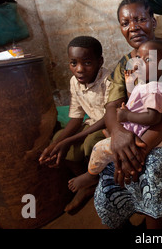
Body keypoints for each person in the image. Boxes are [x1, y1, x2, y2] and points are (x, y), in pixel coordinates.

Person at [94, 0, 162, 229]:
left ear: (153, 22)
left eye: (140, 19)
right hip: (131, 131)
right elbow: (112, 105)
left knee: (150, 173)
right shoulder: (124, 63)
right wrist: (118, 136)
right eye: (126, 22)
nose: (133, 27)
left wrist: (139, 150)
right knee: (107, 178)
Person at [84, 40, 162, 183]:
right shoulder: (144, 83)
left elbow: (153, 117)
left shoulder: (156, 89)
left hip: (142, 133)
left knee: (98, 148)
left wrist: (127, 115)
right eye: (138, 58)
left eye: (147, 60)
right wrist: (129, 83)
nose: (138, 63)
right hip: (133, 127)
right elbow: (134, 99)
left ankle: (90, 175)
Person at [39, 35, 110, 213]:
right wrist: (58, 143)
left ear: (99, 61)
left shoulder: (108, 80)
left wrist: (69, 141)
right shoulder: (74, 82)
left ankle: (95, 181)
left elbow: (108, 118)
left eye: (87, 63)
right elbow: (77, 117)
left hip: (108, 125)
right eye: (73, 63)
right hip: (90, 123)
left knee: (89, 143)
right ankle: (84, 183)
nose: (79, 69)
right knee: (57, 138)